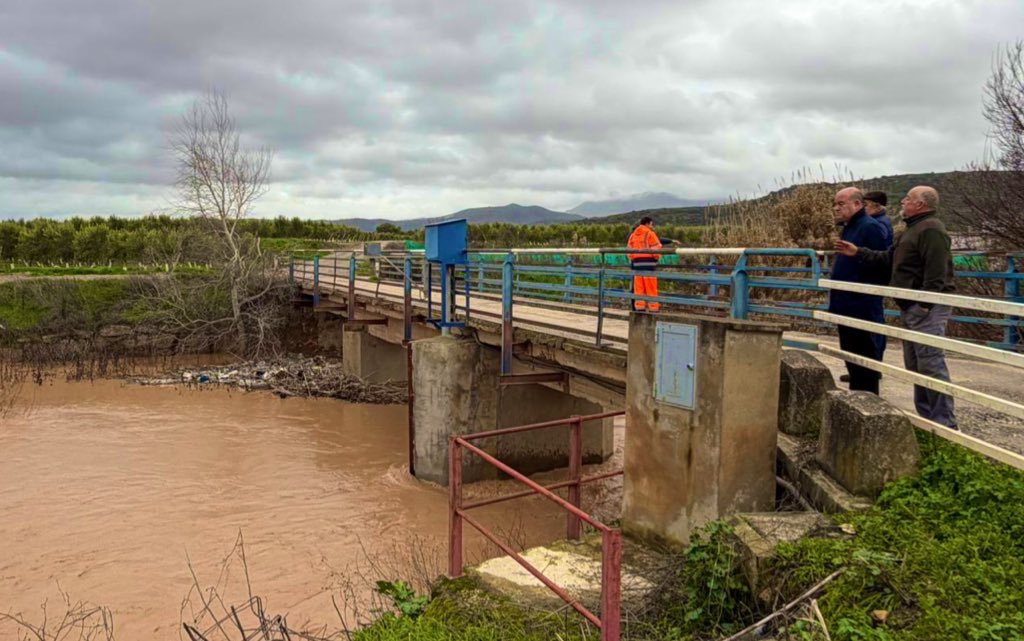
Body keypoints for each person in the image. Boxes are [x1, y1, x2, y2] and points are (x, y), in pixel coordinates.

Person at [834, 185, 957, 429]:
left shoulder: (931, 229)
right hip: (911, 305)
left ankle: (945, 427)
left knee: (931, 364)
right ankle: (926, 421)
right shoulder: (912, 229)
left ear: (921, 204)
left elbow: (937, 272)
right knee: (916, 366)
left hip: (925, 308)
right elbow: (888, 257)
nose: (903, 201)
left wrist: (924, 304)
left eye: (908, 199)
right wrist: (858, 251)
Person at [828, 187, 890, 394]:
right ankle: (857, 399)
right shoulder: (851, 227)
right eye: (835, 204)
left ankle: (868, 401)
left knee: (864, 358)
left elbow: (882, 261)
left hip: (861, 303)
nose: (836, 208)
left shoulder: (869, 227)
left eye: (841, 204)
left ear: (857, 204)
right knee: (851, 356)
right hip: (845, 301)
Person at [627, 216, 676, 313]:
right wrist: (656, 258)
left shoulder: (633, 235)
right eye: (652, 224)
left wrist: (634, 259)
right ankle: (653, 308)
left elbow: (629, 250)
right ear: (648, 223)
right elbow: (657, 247)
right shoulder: (650, 233)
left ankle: (639, 308)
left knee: (639, 288)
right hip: (649, 263)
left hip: (637, 264)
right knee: (651, 287)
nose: (652, 226)